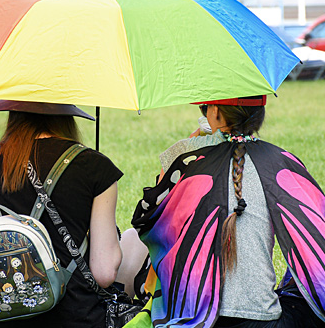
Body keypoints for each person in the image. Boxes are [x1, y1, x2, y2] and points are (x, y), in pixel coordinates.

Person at [119, 95, 325, 328]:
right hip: (265, 321)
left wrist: (189, 147)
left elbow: (149, 217)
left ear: (214, 112)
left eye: (204, 107)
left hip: (196, 317)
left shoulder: (188, 159)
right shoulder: (284, 162)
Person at [0, 100, 123, 328]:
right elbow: (105, 273)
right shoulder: (94, 165)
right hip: (79, 319)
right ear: (66, 115)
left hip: (4, 317)